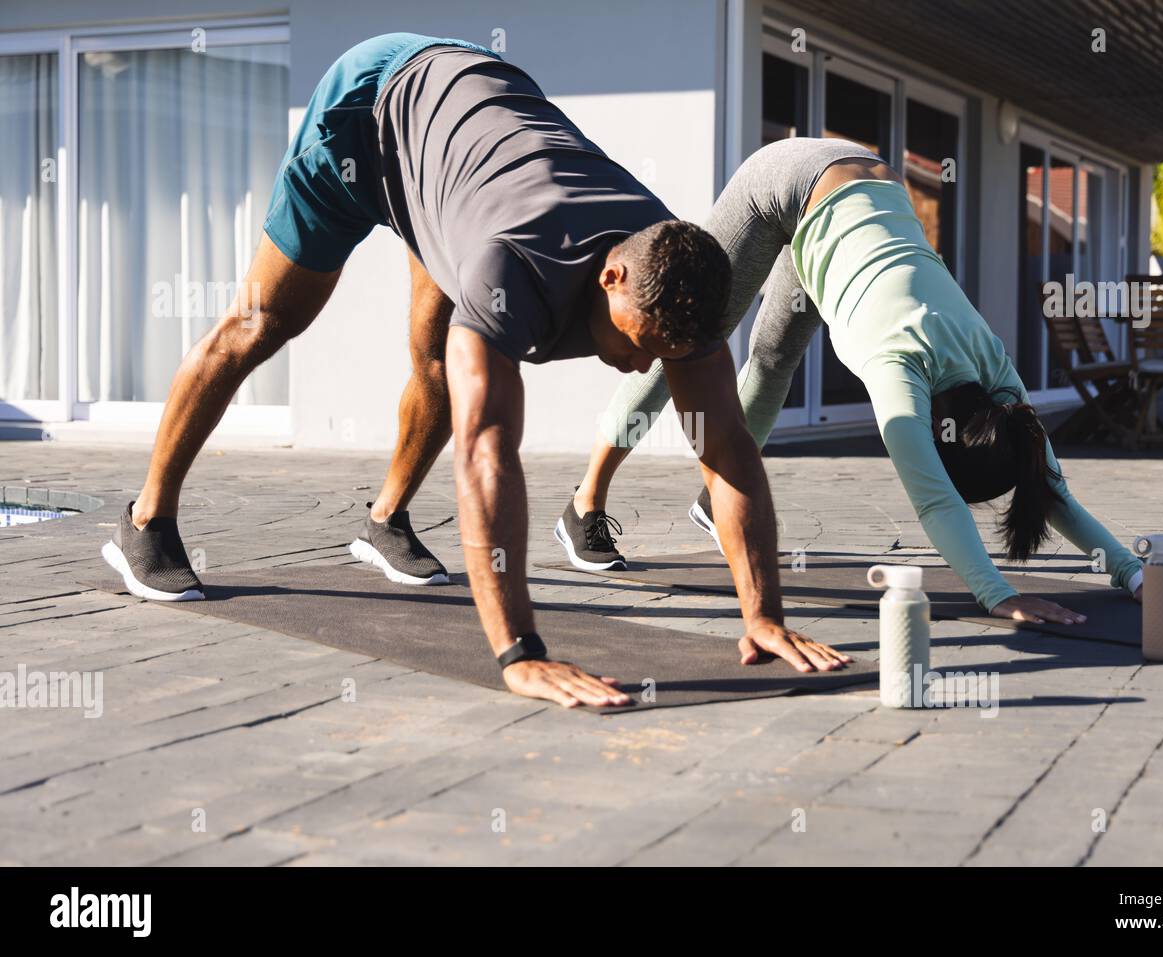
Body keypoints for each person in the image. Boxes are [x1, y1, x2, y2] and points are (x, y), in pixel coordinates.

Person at [101, 37, 851, 708]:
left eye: (664, 355)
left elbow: (725, 448)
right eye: (639, 343)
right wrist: (520, 651)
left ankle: (383, 521)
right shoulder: (508, 268)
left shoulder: (674, 273)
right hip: (370, 112)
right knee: (264, 322)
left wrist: (762, 612)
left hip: (471, 126)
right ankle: (148, 520)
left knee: (434, 350)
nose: (644, 364)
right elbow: (487, 448)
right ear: (611, 276)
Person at [557, 137, 1163, 623]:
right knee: (684, 337)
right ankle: (584, 504)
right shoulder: (893, 371)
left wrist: (1137, 575)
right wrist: (998, 593)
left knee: (774, 361)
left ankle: (720, 495)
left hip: (864, 200)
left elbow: (1051, 487)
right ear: (938, 434)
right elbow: (936, 503)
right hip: (788, 184)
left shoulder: (996, 378)